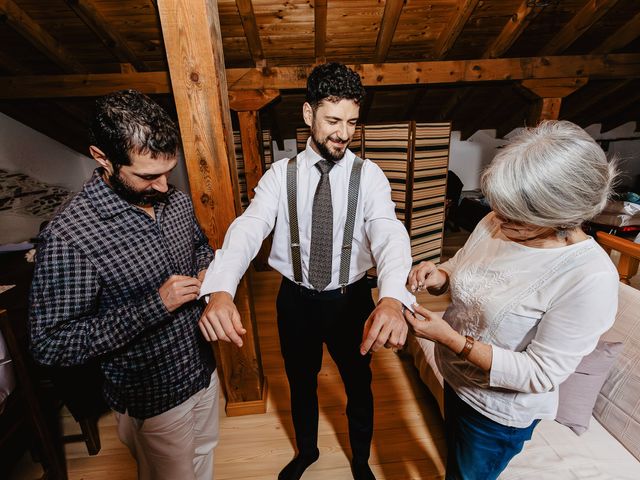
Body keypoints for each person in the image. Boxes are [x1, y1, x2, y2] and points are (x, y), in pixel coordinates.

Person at [199, 62, 414, 480]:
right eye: (333, 120)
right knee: (301, 382)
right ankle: (307, 452)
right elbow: (250, 227)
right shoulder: (280, 176)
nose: (343, 132)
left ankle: (360, 460)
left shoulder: (369, 177)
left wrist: (391, 298)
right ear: (308, 114)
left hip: (351, 301)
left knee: (358, 383)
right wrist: (221, 287)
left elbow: (389, 233)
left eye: (352, 122)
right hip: (295, 301)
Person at [405, 120, 619, 480]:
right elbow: (463, 267)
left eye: (515, 216)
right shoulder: (496, 221)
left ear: (560, 213)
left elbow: (538, 374)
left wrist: (450, 339)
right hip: (456, 382)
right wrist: (440, 275)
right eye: (498, 206)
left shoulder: (589, 277)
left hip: (496, 413)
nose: (498, 218)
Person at [29, 90, 219, 480]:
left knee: (205, 458)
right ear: (103, 158)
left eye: (168, 171)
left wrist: (205, 272)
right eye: (148, 175)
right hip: (153, 397)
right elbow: (50, 343)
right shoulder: (70, 236)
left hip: (203, 368)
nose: (164, 186)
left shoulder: (176, 202)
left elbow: (202, 247)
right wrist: (155, 305)